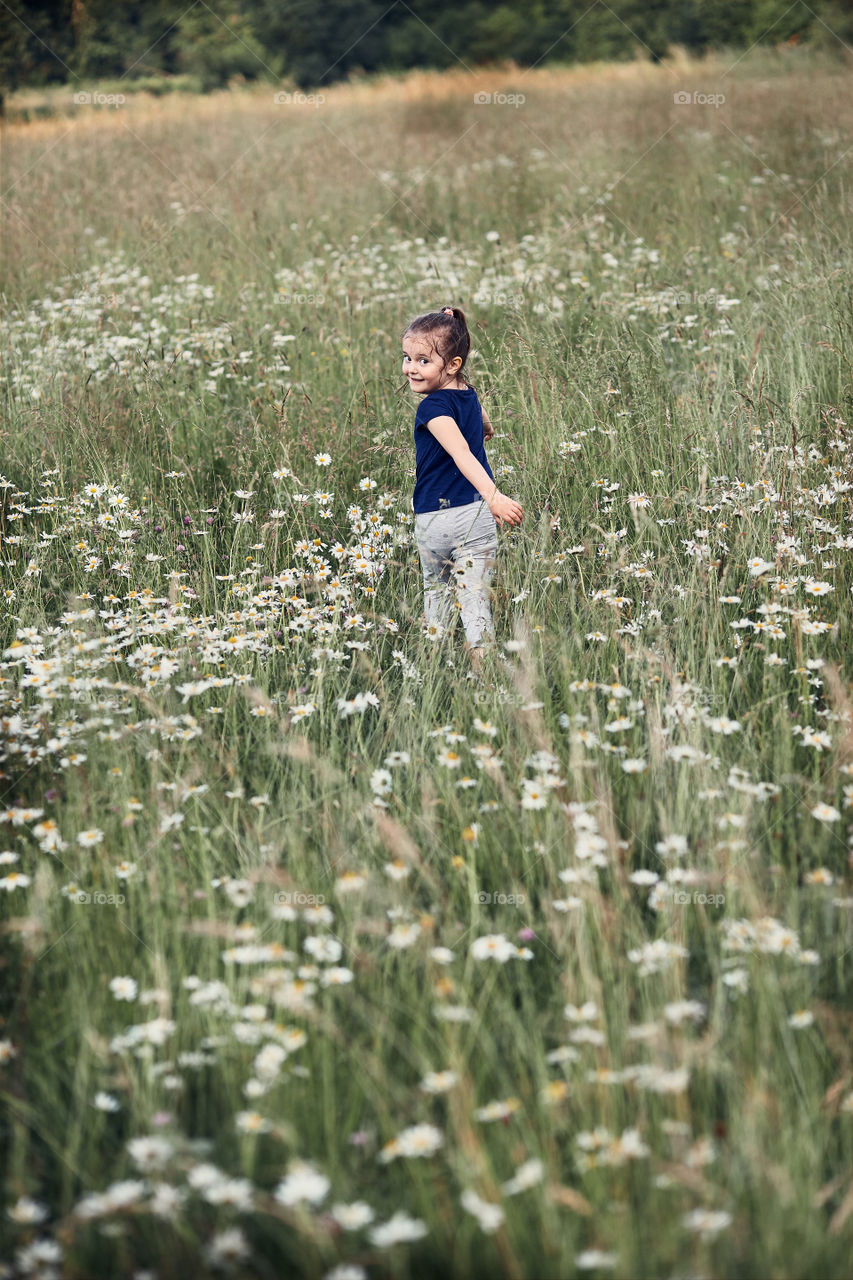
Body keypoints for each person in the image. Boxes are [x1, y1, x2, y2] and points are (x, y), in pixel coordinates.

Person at [402, 305, 523, 673]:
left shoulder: (432, 409)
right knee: (474, 599)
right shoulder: (466, 392)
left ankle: (432, 666)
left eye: (423, 360)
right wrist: (485, 424)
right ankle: (484, 668)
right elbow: (477, 415)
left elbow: (461, 454)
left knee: (436, 595)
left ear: (451, 365)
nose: (411, 368)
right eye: (407, 358)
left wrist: (495, 495)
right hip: (476, 518)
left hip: (437, 518)